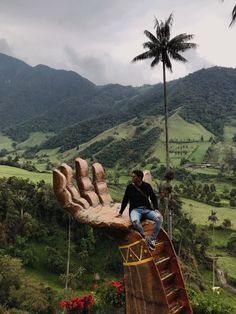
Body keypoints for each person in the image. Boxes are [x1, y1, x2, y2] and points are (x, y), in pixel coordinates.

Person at [116, 170, 163, 250]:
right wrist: (121, 212)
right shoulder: (130, 187)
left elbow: (153, 197)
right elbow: (125, 200)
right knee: (135, 222)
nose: (132, 178)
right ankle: (144, 237)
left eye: (134, 176)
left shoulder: (147, 186)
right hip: (135, 210)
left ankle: (152, 240)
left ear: (139, 178)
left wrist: (156, 209)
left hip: (147, 210)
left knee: (159, 218)